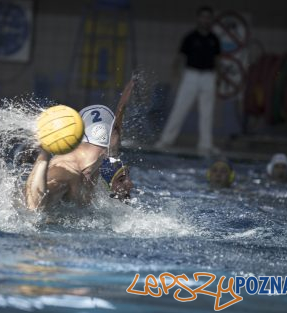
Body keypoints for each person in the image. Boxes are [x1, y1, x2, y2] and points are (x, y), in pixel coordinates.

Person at [25, 80, 134, 210]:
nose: (130, 184)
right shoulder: (66, 170)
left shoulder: (99, 161)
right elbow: (34, 208)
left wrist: (130, 87)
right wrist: (44, 155)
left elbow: (116, 127)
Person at [154, 6, 221, 155]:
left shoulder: (214, 39)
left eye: (208, 17)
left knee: (207, 112)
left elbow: (218, 60)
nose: (205, 20)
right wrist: (176, 74)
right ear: (198, 19)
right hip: (191, 75)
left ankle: (206, 145)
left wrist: (219, 78)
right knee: (180, 108)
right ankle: (166, 140)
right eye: (203, 17)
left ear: (211, 20)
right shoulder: (190, 37)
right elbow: (179, 57)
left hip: (209, 76)